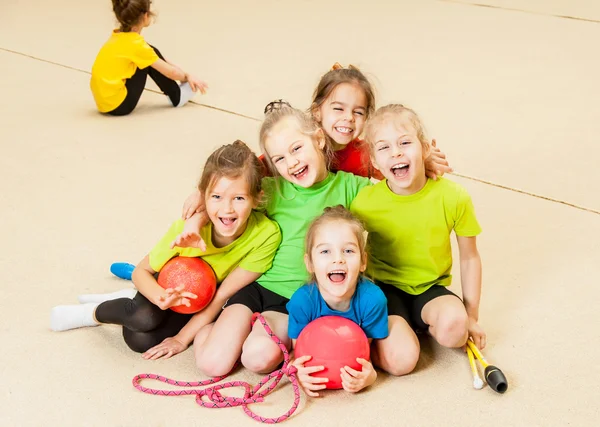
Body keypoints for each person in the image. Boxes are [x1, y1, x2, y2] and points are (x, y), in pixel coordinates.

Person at [50, 141, 281, 359]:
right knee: (142, 318)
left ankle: (126, 298)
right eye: (217, 197)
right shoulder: (185, 230)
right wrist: (159, 297)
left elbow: (222, 295)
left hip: (200, 301)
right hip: (165, 286)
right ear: (203, 196)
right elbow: (141, 272)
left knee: (139, 342)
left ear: (256, 199)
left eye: (239, 198)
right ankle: (91, 313)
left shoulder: (266, 234)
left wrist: (181, 340)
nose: (227, 209)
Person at [350, 104, 485, 377]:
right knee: (402, 362)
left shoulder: (453, 196)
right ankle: (394, 335)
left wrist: (472, 316)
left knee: (456, 330)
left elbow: (470, 257)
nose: (396, 152)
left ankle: (422, 325)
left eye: (404, 142)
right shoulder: (363, 203)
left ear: (425, 149)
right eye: (384, 147)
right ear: (375, 163)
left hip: (430, 288)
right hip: (384, 292)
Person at [287, 206, 388, 396]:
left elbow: (365, 354)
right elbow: (297, 353)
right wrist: (297, 373)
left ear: (363, 262)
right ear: (309, 263)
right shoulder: (301, 301)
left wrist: (371, 376)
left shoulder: (373, 300)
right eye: (325, 251)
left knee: (403, 360)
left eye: (348, 251)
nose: (338, 260)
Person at [90, 0, 208, 116]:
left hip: (102, 103)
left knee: (149, 53)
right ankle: (177, 96)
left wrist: (184, 74)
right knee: (148, 58)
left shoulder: (117, 36)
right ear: (146, 15)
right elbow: (170, 71)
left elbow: (157, 59)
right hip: (120, 106)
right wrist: (187, 77)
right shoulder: (137, 45)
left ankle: (178, 87)